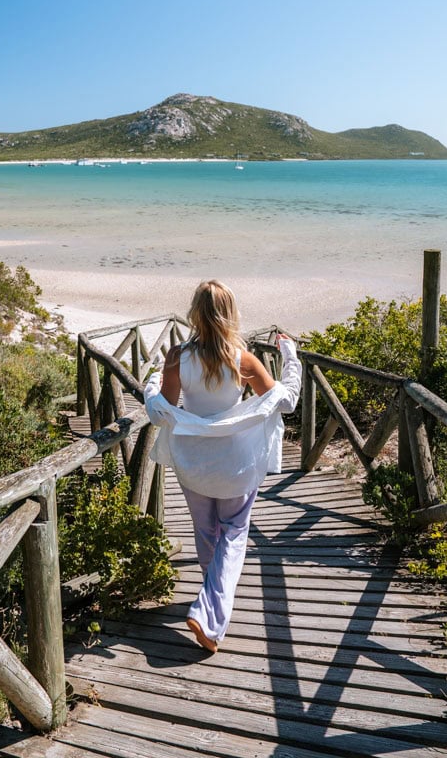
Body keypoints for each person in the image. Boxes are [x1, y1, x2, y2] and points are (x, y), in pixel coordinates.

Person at [144, 279, 301, 653]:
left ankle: (210, 606)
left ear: (195, 314)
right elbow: (286, 401)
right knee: (233, 533)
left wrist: (152, 385)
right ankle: (211, 615)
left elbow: (163, 411)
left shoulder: (177, 357)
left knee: (206, 532)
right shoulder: (243, 360)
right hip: (235, 463)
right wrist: (290, 356)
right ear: (230, 313)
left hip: (193, 461)